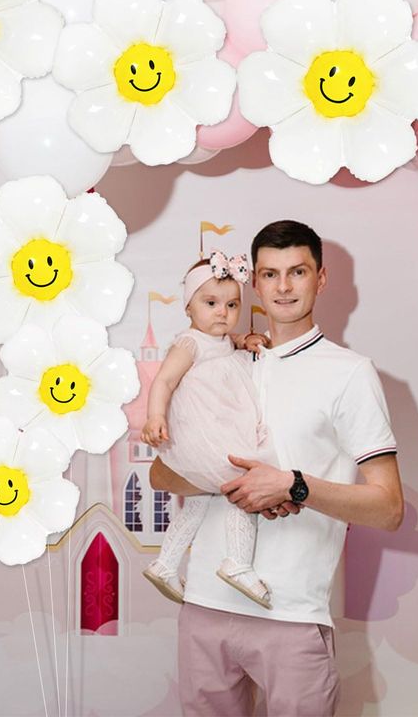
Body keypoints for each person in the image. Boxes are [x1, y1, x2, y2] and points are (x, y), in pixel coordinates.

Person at [150, 220, 404, 717]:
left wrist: (293, 486)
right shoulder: (223, 359)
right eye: (270, 274)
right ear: (255, 283)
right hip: (203, 605)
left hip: (290, 611)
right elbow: (162, 476)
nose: (283, 287)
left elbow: (388, 507)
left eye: (297, 272)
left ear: (320, 279)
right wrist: (236, 482)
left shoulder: (349, 373)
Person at [141, 250, 275, 608]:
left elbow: (230, 346)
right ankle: (238, 563)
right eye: (211, 303)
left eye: (232, 305)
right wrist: (155, 417)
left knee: (199, 499)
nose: (222, 313)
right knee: (245, 484)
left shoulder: (222, 341)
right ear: (188, 307)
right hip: (204, 436)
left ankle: (165, 564)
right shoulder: (189, 343)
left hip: (215, 434)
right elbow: (164, 381)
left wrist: (244, 342)